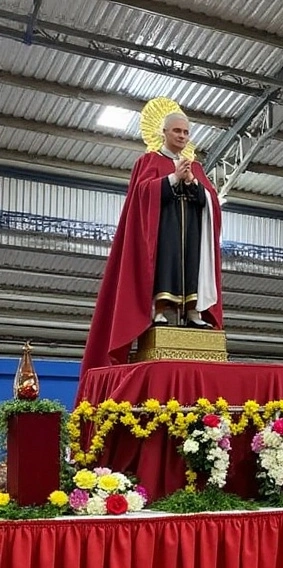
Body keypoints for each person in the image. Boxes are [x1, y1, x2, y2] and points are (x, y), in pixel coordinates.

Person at [83, 109, 223, 377]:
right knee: (164, 267)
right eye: (177, 131)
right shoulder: (149, 161)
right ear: (164, 133)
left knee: (193, 267)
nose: (181, 136)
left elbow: (211, 202)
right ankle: (159, 312)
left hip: (191, 232)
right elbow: (142, 194)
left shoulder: (197, 168)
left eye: (185, 132)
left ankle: (193, 313)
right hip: (163, 232)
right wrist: (172, 179)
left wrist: (193, 182)